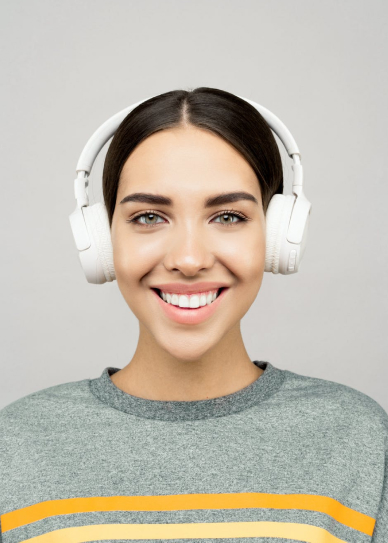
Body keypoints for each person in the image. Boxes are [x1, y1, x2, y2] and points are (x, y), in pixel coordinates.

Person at [0, 87, 387, 542]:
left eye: (227, 217)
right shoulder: (16, 446)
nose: (188, 259)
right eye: (148, 217)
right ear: (102, 242)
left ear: (279, 235)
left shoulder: (360, 438)